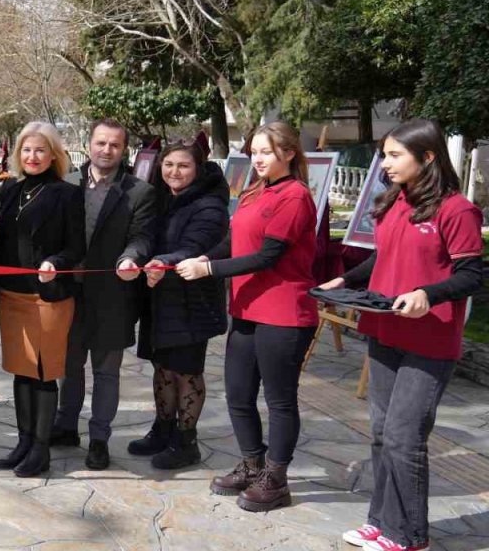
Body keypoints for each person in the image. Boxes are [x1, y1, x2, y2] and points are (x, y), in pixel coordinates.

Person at [321, 121, 483, 551]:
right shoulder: (394, 201)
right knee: (381, 433)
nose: (385, 164)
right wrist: (347, 279)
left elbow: (471, 275)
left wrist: (428, 294)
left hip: (430, 339)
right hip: (385, 328)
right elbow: (384, 257)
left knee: (404, 436)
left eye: (395, 155)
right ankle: (381, 522)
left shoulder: (457, 210)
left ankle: (410, 536)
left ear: (427, 157)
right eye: (385, 155)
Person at [175, 121, 317, 512]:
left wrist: (208, 270)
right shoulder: (256, 190)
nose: (257, 159)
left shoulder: (295, 196)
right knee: (238, 394)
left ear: (289, 153)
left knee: (279, 400)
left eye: (266, 152)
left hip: (284, 314)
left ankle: (276, 478)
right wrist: (206, 256)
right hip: (247, 309)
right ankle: (252, 465)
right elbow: (235, 240)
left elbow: (268, 255)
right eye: (254, 152)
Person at [0, 122, 84, 478]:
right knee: (21, 371)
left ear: (54, 155)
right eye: (26, 149)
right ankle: (24, 442)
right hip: (11, 296)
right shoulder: (12, 189)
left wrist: (56, 262)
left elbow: (76, 247)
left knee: (42, 373)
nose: (32, 156)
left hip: (48, 298)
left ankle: (41, 449)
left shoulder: (67, 194)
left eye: (40, 150)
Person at [52, 119, 155, 471]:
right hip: (70, 294)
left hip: (114, 297)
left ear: (123, 149)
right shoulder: (66, 184)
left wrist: (132, 257)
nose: (106, 150)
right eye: (101, 143)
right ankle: (66, 426)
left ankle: (99, 439)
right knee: (69, 367)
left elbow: (142, 236)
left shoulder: (139, 192)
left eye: (114, 145)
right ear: (89, 144)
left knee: (106, 373)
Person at [134, 142, 229, 470]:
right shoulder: (163, 198)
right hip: (161, 296)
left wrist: (162, 261)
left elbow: (194, 247)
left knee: (186, 371)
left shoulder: (209, 205)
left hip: (193, 301)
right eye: (169, 164)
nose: (174, 172)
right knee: (163, 366)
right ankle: (163, 429)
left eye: (183, 166)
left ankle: (186, 441)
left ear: (198, 169)